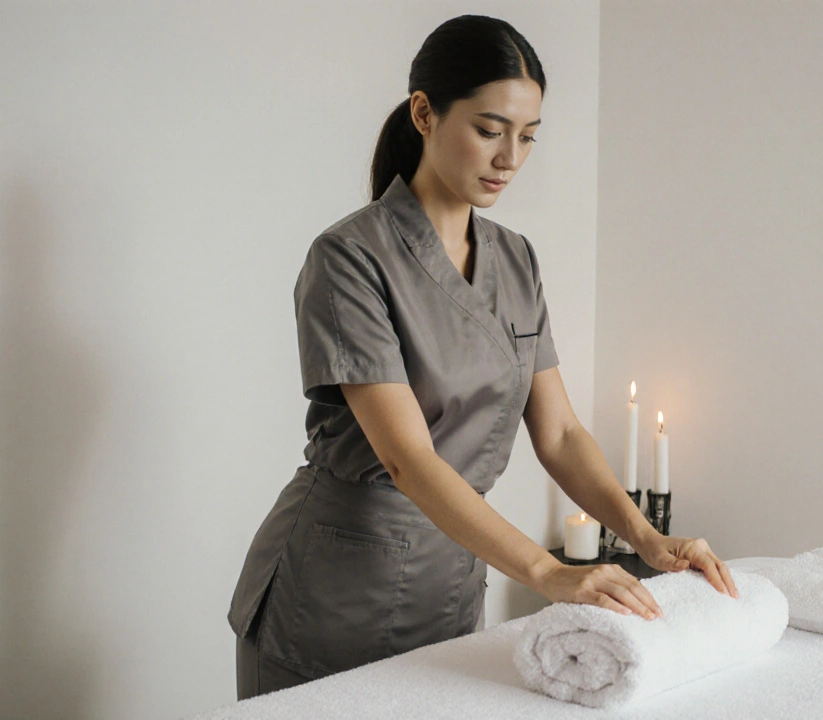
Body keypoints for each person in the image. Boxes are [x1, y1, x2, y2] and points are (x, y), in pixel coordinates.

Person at [226, 14, 738, 701]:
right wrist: (548, 573)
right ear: (424, 113)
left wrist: (647, 539)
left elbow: (557, 433)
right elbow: (409, 460)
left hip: (450, 585)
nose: (510, 158)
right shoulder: (349, 258)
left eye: (527, 136)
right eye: (490, 130)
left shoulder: (516, 258)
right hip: (331, 596)